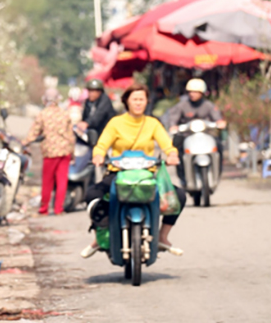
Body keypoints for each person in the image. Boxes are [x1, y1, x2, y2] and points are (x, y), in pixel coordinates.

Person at [80, 85, 185, 257]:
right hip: (118, 174)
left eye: (141, 99)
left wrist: (172, 154)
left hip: (147, 175)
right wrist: (98, 156)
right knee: (92, 195)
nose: (138, 103)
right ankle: (99, 237)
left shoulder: (153, 123)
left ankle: (162, 237)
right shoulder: (116, 123)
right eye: (134, 99)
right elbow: (102, 145)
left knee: (178, 196)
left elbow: (167, 144)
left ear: (146, 102)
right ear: (126, 101)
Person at [163, 77, 226, 181]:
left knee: (218, 146)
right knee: (179, 150)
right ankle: (183, 175)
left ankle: (217, 172)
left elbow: (217, 118)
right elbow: (173, 119)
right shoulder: (182, 105)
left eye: (196, 92)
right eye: (190, 91)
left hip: (206, 136)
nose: (192, 94)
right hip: (187, 136)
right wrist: (173, 126)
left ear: (202, 93)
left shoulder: (208, 105)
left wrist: (220, 123)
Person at [25, 88, 75, 216]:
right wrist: (72, 153)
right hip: (65, 151)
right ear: (58, 99)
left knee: (47, 181)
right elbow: (71, 136)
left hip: (50, 152)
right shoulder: (65, 114)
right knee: (62, 181)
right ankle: (58, 209)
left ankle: (44, 209)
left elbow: (33, 133)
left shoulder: (43, 114)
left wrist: (24, 142)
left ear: (44, 100)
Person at [80, 78, 115, 143]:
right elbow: (84, 117)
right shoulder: (88, 102)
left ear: (100, 92)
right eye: (89, 91)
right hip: (94, 134)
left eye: (93, 91)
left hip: (107, 133)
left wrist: (87, 123)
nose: (90, 94)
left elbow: (99, 114)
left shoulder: (105, 100)